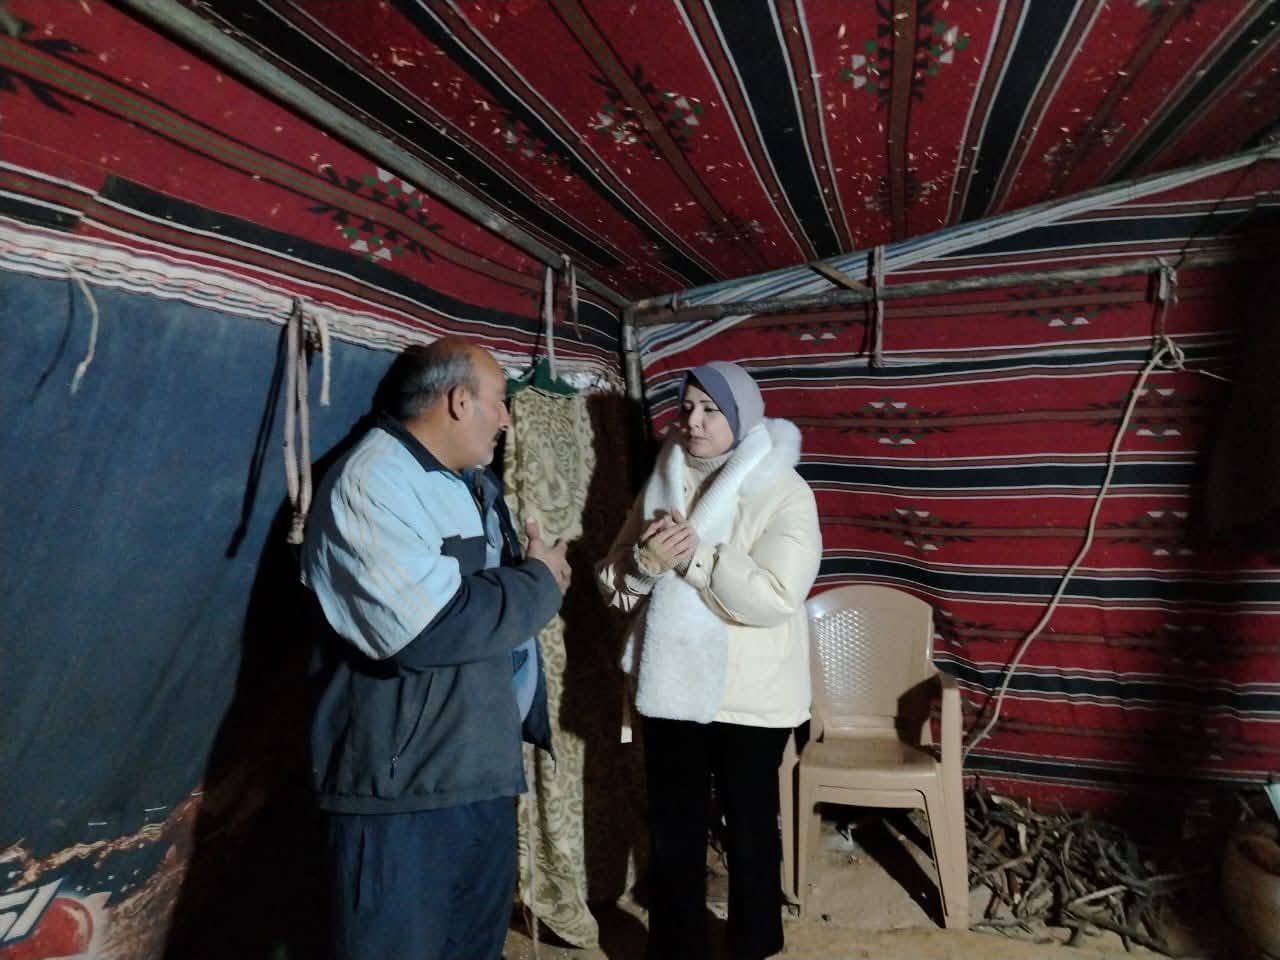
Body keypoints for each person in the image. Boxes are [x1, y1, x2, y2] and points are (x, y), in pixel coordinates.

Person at [300, 337, 572, 960]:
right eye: (499, 402)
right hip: (403, 795)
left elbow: (490, 607)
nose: (506, 420)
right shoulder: (372, 484)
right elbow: (430, 630)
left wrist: (534, 579)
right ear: (458, 401)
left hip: (477, 774)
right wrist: (538, 583)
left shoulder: (473, 486)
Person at [596, 361, 822, 960]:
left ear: (742, 418)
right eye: (688, 407)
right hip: (672, 684)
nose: (693, 421)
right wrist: (643, 566)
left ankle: (754, 943)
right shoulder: (663, 478)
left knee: (750, 827)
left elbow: (777, 596)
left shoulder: (783, 489)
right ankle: (676, 947)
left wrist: (696, 558)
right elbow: (613, 580)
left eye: (711, 410)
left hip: (751, 694)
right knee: (673, 828)